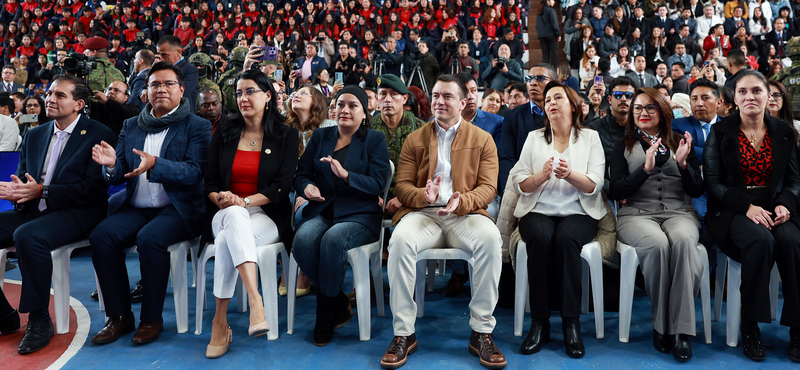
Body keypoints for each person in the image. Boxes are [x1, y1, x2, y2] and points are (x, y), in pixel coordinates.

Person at [380, 75, 505, 370]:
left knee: (490, 239)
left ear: (463, 103)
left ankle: (482, 332)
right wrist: (424, 195)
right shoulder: (416, 138)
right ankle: (403, 333)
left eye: (447, 96)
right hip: (424, 215)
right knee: (399, 240)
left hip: (466, 215)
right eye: (435, 95)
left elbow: (489, 188)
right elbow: (402, 187)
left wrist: (461, 202)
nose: (439, 101)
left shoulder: (482, 139)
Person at [89, 62, 211, 345]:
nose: (161, 89)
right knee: (101, 236)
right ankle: (118, 316)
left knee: (149, 239)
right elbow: (120, 170)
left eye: (168, 84)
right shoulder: (131, 124)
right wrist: (110, 165)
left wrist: (156, 164)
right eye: (155, 85)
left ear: (182, 90)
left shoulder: (197, 126)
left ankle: (151, 318)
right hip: (139, 206)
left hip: (178, 208)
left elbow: (195, 172)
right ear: (146, 92)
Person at [0, 75, 115, 354]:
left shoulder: (99, 133)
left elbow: (93, 190)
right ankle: (4, 315)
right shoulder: (34, 134)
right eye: (50, 93)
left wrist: (42, 191)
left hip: (77, 213)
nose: (50, 99)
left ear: (78, 104)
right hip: (33, 210)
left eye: (60, 95)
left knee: (27, 235)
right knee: (25, 229)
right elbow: (26, 179)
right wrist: (19, 192)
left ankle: (39, 318)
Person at [704, 70, 800, 362]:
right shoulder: (720, 132)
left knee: (792, 243)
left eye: (756, 91)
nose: (750, 97)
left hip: (776, 208)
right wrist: (747, 206)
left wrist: (785, 203)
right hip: (733, 209)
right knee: (761, 241)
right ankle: (750, 325)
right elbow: (713, 183)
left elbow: (795, 181)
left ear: (768, 95)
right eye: (743, 91)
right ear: (734, 97)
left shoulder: (783, 133)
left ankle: (797, 327)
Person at [505, 81, 606, 358]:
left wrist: (569, 174)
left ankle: (570, 323)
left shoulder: (590, 138)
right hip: (538, 209)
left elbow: (595, 185)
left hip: (579, 211)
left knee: (567, 239)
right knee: (538, 238)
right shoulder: (534, 138)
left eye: (557, 98)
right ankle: (540, 321)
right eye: (547, 100)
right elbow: (518, 183)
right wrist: (540, 177)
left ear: (572, 105)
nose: (550, 103)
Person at [203, 69, 299, 358]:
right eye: (239, 93)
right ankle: (256, 301)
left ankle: (220, 321)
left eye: (250, 91)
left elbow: (282, 187)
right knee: (233, 218)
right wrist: (224, 198)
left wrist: (243, 202)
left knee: (225, 242)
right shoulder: (226, 130)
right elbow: (208, 182)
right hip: (223, 211)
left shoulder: (286, 135)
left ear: (268, 96)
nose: (243, 98)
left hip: (266, 215)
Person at [609, 87, 705, 362]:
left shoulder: (680, 141)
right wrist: (645, 170)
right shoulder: (622, 145)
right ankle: (661, 325)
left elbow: (696, 190)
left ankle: (682, 331)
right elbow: (615, 190)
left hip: (678, 212)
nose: (642, 113)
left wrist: (685, 165)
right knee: (657, 244)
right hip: (637, 214)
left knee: (686, 242)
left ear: (663, 111)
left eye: (649, 107)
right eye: (637, 108)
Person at [293, 85, 389, 346]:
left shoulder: (374, 140)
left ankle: (324, 314)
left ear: (365, 112)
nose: (344, 110)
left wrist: (346, 175)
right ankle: (337, 301)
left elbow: (378, 183)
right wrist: (307, 187)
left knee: (333, 240)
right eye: (340, 104)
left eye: (352, 105)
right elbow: (301, 174)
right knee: (302, 240)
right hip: (324, 208)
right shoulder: (320, 136)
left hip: (360, 215)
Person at [369, 74, 426, 217]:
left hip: (410, 201)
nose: (388, 100)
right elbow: (359, 169)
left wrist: (403, 198)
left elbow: (427, 172)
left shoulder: (421, 130)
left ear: (404, 99)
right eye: (383, 94)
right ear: (376, 99)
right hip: (373, 200)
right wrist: (371, 197)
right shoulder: (367, 129)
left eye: (394, 94)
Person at [499, 65, 553, 194]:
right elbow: (507, 157)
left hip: (557, 182)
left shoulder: (564, 114)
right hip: (523, 184)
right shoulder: (513, 116)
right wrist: (508, 190)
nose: (533, 83)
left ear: (554, 83)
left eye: (540, 78)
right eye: (529, 78)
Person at [587, 76, 637, 184]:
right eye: (618, 95)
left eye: (628, 95)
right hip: (605, 191)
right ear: (610, 99)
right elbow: (590, 170)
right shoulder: (594, 130)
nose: (623, 99)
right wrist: (615, 191)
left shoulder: (641, 129)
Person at [156, 36, 200, 114]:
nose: (161, 59)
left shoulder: (191, 70)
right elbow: (144, 87)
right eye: (159, 55)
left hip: (183, 118)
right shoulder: (158, 69)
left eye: (165, 55)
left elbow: (182, 93)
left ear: (179, 52)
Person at [537, 0, 561, 66]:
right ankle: (555, 72)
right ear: (548, 1)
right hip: (551, 34)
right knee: (554, 55)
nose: (554, 2)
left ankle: (545, 73)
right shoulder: (551, 10)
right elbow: (555, 23)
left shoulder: (539, 11)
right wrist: (558, 34)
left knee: (545, 57)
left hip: (542, 35)